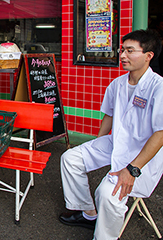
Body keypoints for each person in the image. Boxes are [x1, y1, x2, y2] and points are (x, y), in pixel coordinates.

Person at [59, 29, 163, 239]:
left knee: (108, 193)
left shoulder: (158, 87)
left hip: (142, 156)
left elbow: (160, 133)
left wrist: (132, 169)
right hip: (115, 143)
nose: (122, 55)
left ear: (148, 56)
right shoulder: (118, 84)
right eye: (122, 50)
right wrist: (96, 145)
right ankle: (89, 214)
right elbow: (109, 115)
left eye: (130, 51)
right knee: (70, 158)